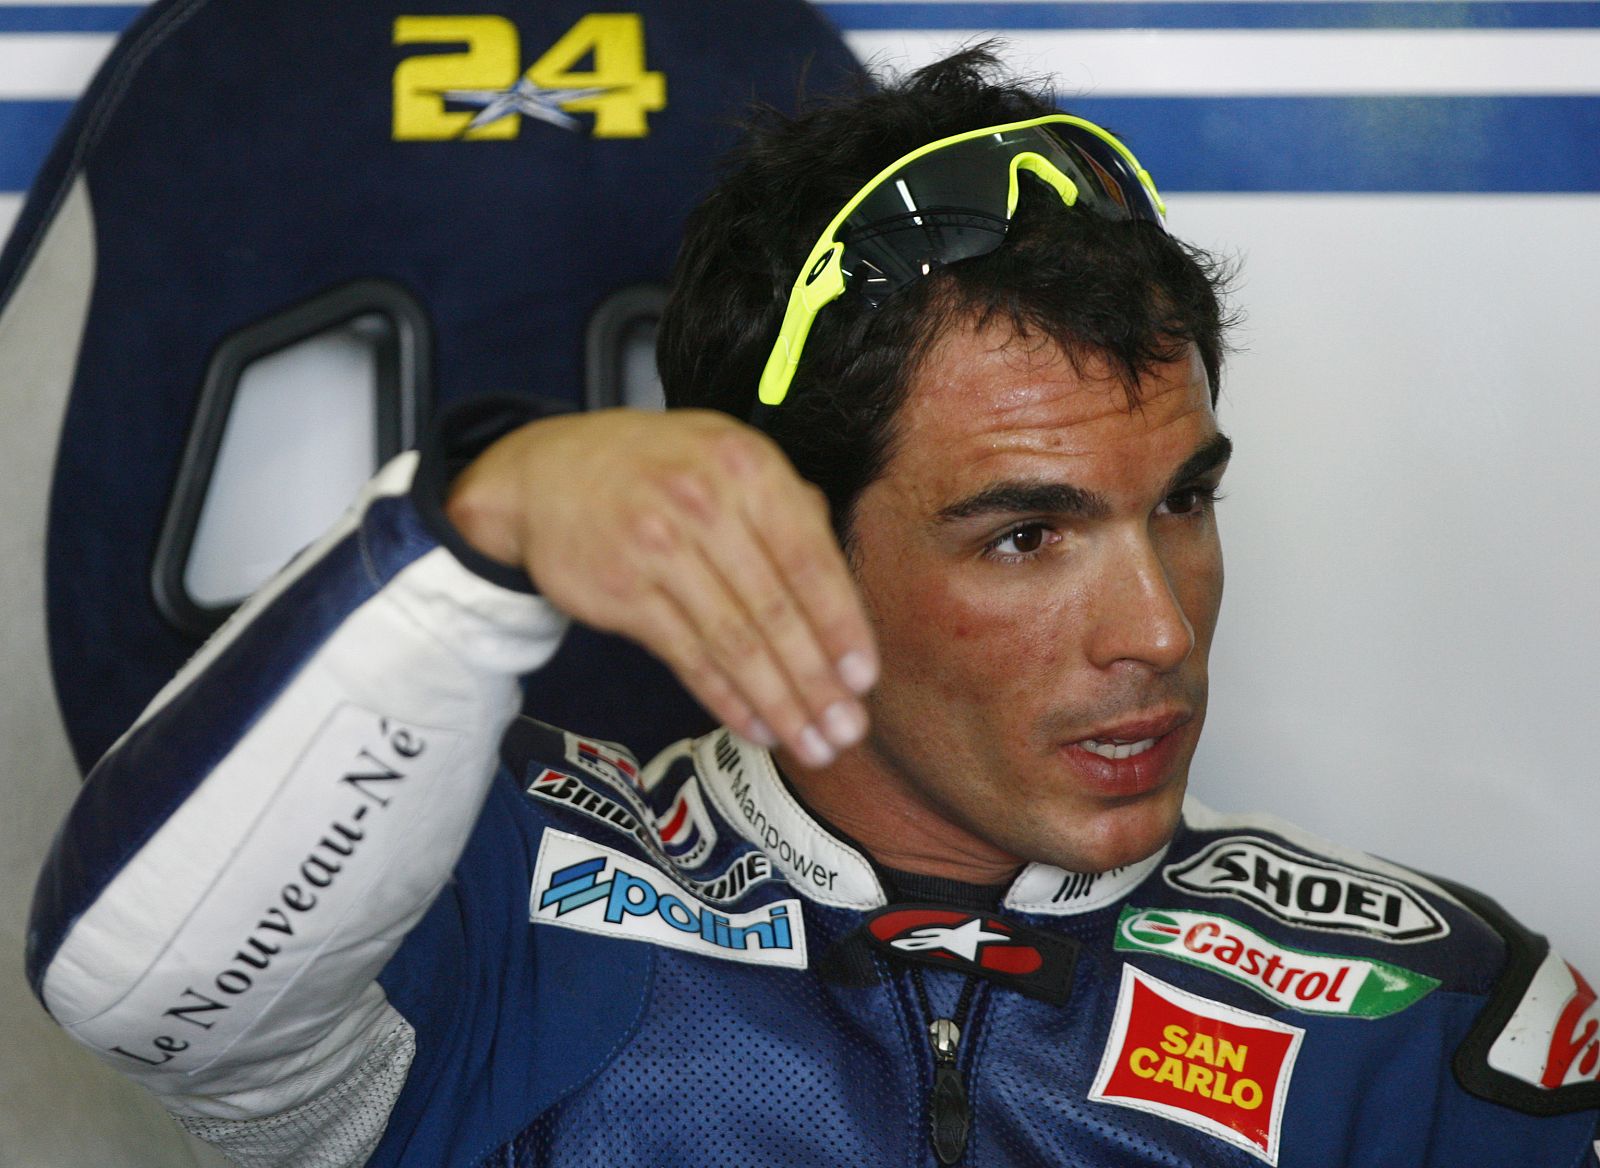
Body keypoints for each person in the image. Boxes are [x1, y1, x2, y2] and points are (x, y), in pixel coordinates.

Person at [25, 49, 1600, 1168]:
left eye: (1182, 502)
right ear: (793, 538)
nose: (1161, 634)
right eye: (1025, 536)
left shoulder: (1428, 1019)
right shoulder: (505, 919)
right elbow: (133, 992)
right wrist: (473, 532)